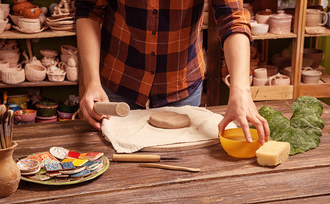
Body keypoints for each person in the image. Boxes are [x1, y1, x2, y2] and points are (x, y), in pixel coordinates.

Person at [74, 0, 270, 144]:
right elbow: (89, 10)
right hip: (119, 80)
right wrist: (91, 83)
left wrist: (241, 90)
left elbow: (232, 16)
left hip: (181, 83)